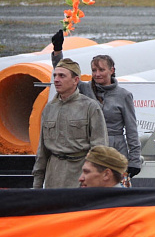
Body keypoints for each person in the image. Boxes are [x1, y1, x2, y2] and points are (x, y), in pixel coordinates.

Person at [51, 30, 142, 179]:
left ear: (111, 71)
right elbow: (65, 73)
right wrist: (57, 50)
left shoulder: (124, 95)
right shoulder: (85, 89)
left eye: (101, 70)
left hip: (116, 150)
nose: (97, 74)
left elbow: (131, 130)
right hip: (90, 149)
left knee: (116, 192)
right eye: (94, 70)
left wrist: (135, 161)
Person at [33, 58, 108, 189]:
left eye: (62, 76)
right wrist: (37, 185)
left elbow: (99, 148)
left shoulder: (90, 107)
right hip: (54, 177)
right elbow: (42, 152)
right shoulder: (49, 109)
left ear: (75, 80)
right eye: (55, 75)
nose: (56, 79)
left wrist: (93, 182)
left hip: (80, 176)